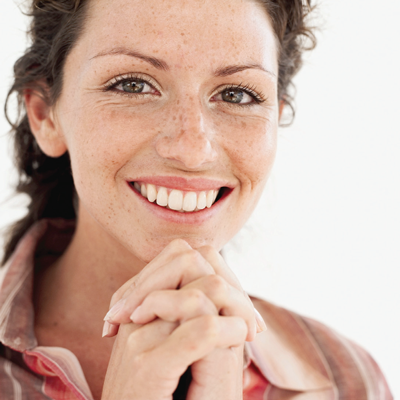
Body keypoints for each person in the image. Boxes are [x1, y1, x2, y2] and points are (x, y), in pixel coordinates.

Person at [0, 0, 393, 399]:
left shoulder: (351, 383)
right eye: (132, 85)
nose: (191, 150)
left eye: (237, 94)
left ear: (275, 119)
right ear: (44, 114)